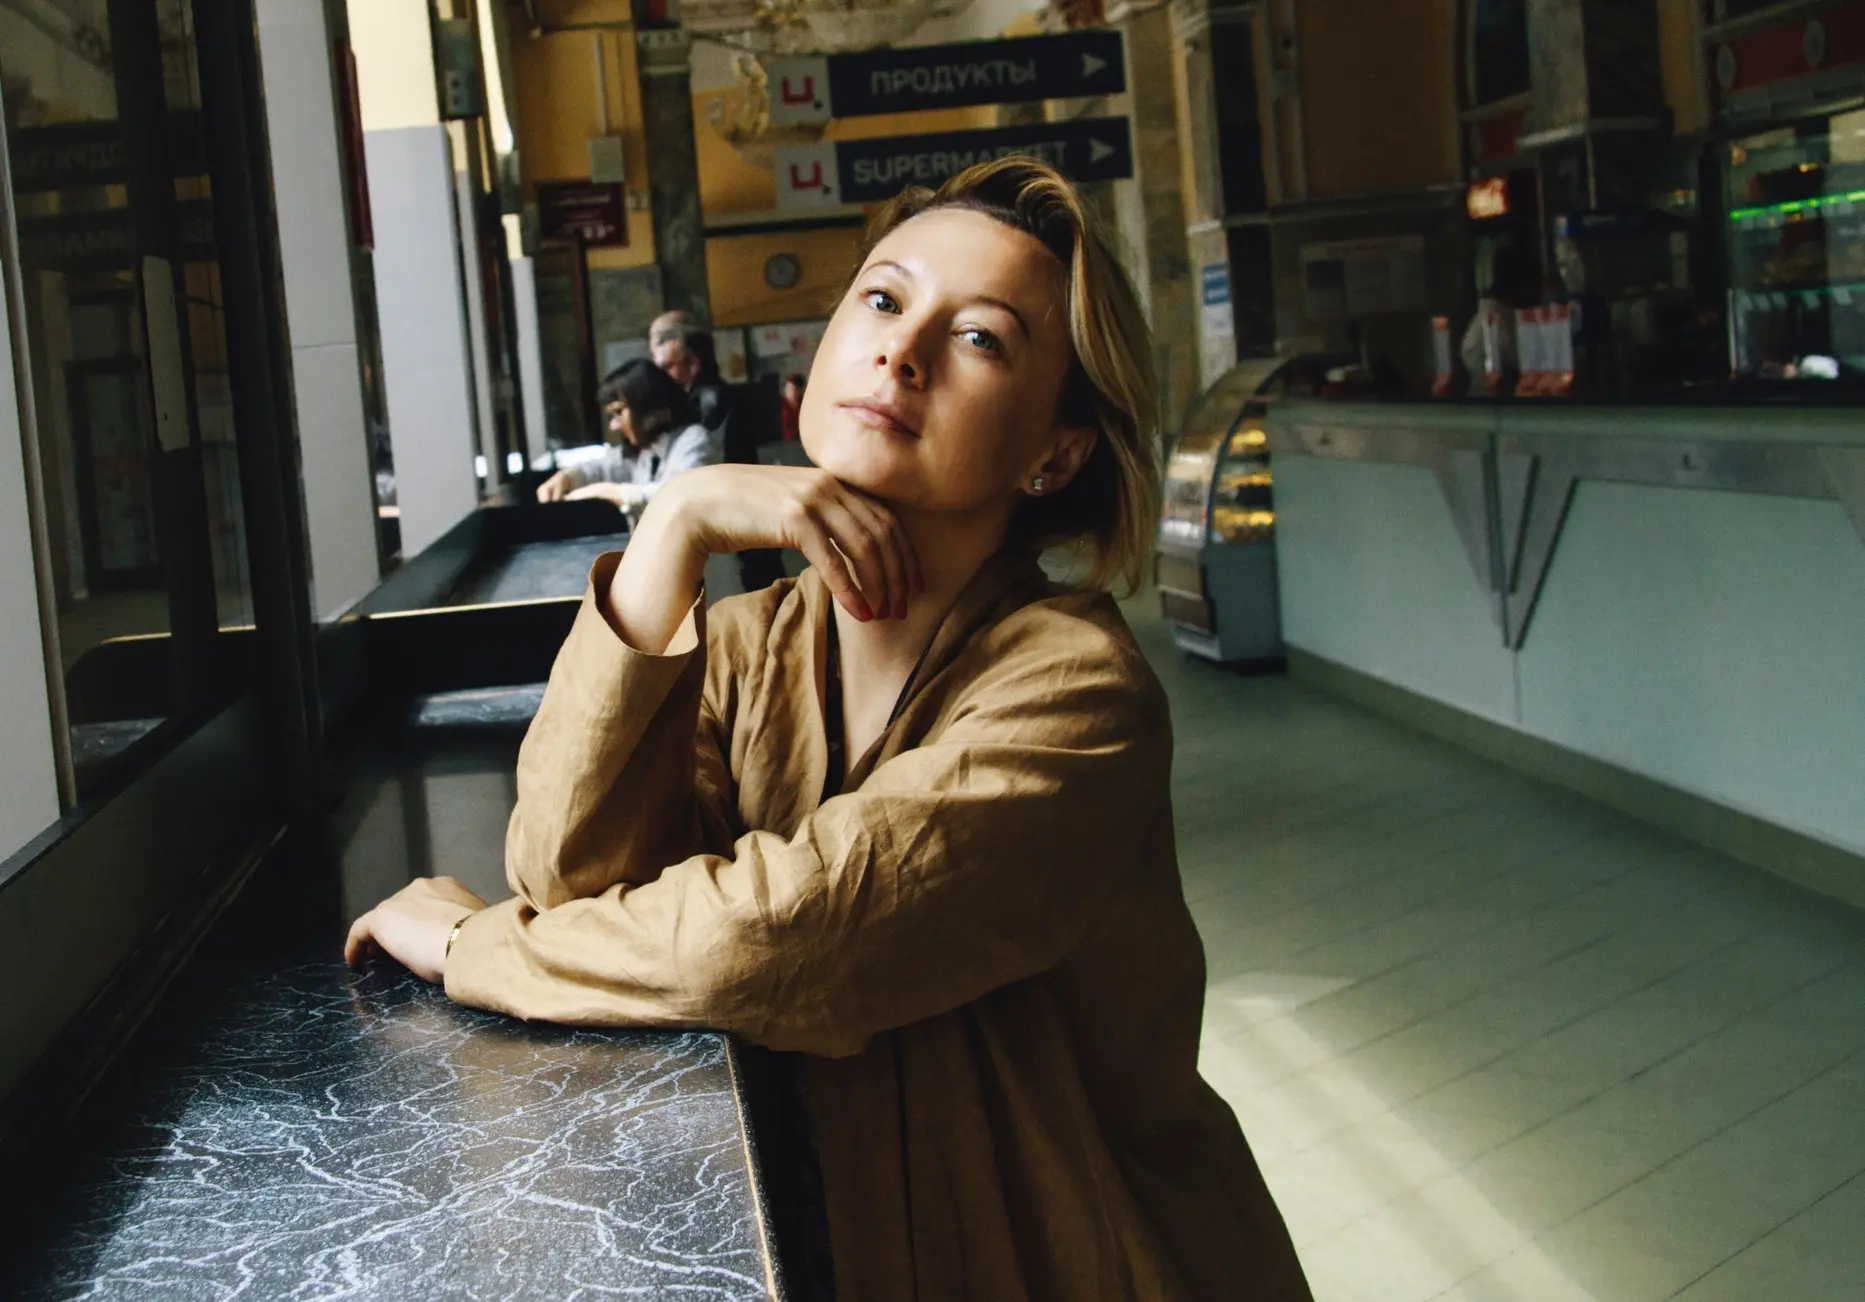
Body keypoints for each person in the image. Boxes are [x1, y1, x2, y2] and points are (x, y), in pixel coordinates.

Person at [346, 157, 1311, 1302]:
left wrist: (475, 951)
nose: (900, 352)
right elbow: (569, 875)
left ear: (1055, 453)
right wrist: (675, 528)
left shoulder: (1075, 694)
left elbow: (772, 943)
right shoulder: (747, 644)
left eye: (981, 340)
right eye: (885, 299)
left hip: (1086, 1259)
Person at [534, 358, 719, 522]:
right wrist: (567, 477)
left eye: (618, 412)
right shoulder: (643, 451)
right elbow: (602, 468)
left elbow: (678, 497)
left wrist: (610, 493)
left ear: (648, 407)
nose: (614, 426)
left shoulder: (694, 440)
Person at [780, 371, 805, 442]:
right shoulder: (780, 404)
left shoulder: (804, 405)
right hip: (783, 443)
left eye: (793, 389)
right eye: (788, 388)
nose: (790, 391)